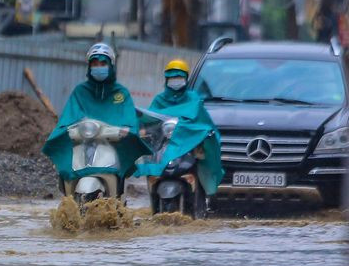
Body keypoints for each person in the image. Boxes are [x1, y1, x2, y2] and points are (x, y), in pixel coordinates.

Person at [42, 42, 149, 195]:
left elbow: (128, 118)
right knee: (67, 164)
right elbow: (69, 117)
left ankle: (118, 197)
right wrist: (65, 129)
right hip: (82, 142)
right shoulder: (80, 92)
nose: (99, 67)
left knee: (120, 165)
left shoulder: (121, 93)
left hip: (112, 143)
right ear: (89, 66)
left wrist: (128, 129)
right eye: (95, 63)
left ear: (111, 65)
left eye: (103, 63)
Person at [135, 59, 224, 195]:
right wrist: (144, 129)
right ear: (166, 79)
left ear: (186, 79)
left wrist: (203, 132)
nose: (176, 80)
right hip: (165, 145)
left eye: (179, 77)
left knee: (202, 154)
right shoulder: (159, 100)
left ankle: (200, 191)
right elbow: (151, 119)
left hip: (188, 144)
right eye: (172, 77)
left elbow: (202, 121)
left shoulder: (193, 98)